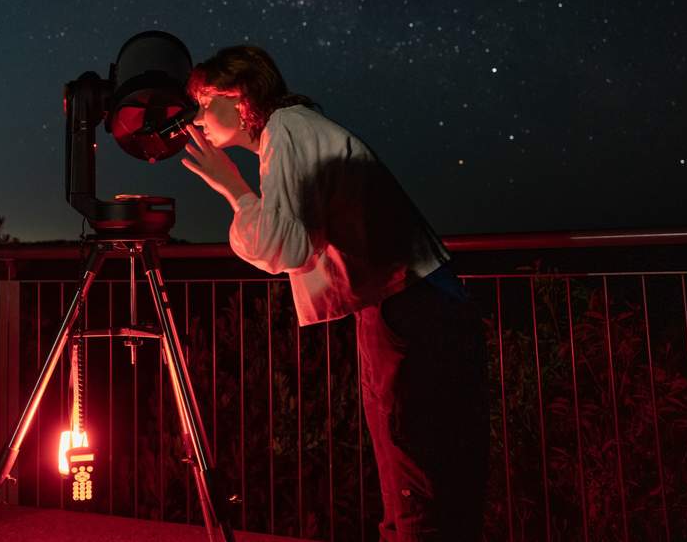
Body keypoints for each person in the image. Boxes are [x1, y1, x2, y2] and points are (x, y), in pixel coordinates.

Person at [180, 45, 489, 542]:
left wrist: (235, 191)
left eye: (203, 100)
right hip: (421, 300)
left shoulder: (284, 128)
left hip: (406, 309)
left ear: (239, 99)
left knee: (414, 485)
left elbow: (288, 246)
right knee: (443, 477)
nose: (196, 118)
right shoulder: (294, 130)